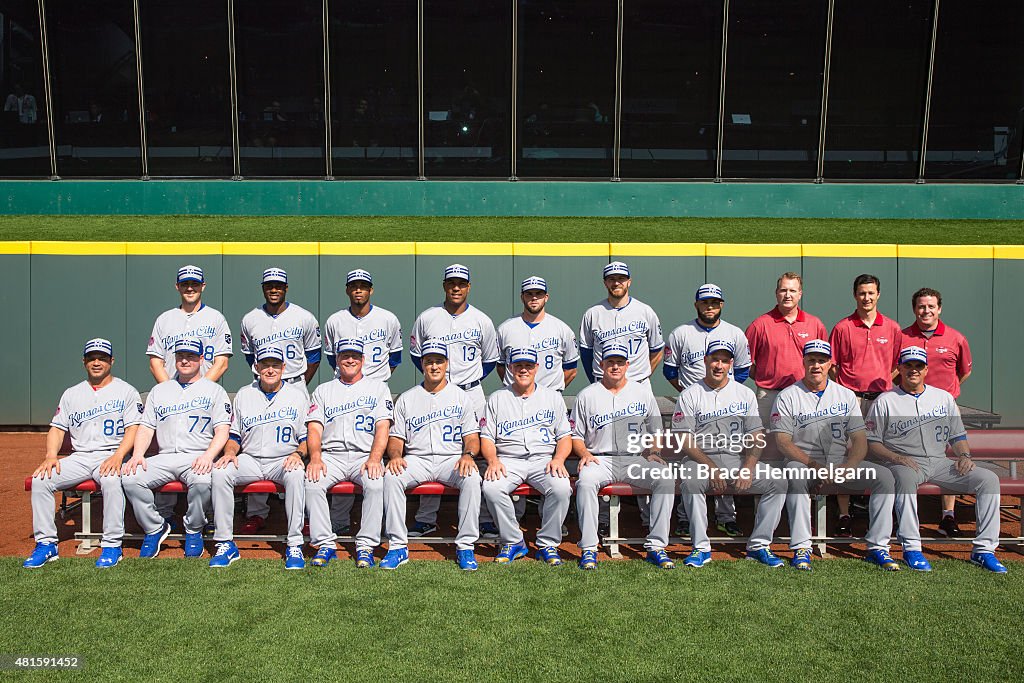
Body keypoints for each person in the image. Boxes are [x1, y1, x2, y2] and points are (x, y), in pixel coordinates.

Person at [866, 346, 1007, 573]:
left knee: (988, 479)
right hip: (904, 461)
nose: (913, 370)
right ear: (899, 368)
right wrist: (895, 457)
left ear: (926, 369)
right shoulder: (886, 400)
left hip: (940, 462)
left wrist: (964, 455)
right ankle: (912, 547)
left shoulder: (943, 398)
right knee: (903, 477)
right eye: (908, 365)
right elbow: (872, 443)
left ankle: (983, 550)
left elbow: (958, 436)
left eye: (918, 366)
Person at [771, 340, 899, 571]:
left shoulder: (846, 395)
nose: (816, 365)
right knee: (795, 475)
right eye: (811, 360)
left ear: (830, 364)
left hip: (840, 462)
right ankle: (802, 546)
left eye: (822, 360)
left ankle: (878, 546)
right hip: (803, 460)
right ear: (804, 362)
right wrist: (814, 464)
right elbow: (783, 442)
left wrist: (850, 465)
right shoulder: (788, 396)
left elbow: (860, 439)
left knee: (884, 477)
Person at [24, 339, 141, 569]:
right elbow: (57, 428)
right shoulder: (72, 394)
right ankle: (46, 544)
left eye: (102, 358)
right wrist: (50, 456)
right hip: (80, 457)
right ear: (84, 361)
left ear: (112, 361)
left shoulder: (126, 391)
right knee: (40, 481)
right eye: (92, 358)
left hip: (111, 454)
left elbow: (133, 429)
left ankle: (112, 545)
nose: (97, 362)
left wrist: (119, 456)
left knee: (111, 480)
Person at [672, 340, 787, 569]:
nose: (719, 365)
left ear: (731, 364)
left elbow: (756, 435)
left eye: (724, 360)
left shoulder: (744, 394)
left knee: (778, 482)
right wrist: (712, 467)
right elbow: (684, 440)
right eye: (715, 359)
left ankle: (759, 546)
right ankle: (701, 548)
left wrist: (749, 466)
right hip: (700, 460)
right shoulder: (690, 394)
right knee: (692, 482)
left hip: (736, 459)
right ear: (705, 361)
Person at [408, 264, 498, 537]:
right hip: (436, 391)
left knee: (479, 452)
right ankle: (426, 519)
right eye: (451, 283)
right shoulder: (428, 318)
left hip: (470, 391)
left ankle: (483, 519)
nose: (456, 288)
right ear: (444, 285)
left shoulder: (482, 320)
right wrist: (440, 381)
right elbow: (416, 354)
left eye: (461, 283)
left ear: (469, 287)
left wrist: (464, 383)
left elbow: (491, 359)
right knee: (431, 446)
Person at [122, 338, 231, 559]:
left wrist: (209, 456)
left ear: (201, 359)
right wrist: (138, 455)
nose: (185, 360)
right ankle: (155, 527)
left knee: (201, 481)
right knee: (130, 478)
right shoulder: (160, 391)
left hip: (196, 455)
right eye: (181, 356)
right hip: (164, 456)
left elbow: (222, 430)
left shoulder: (214, 391)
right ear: (174, 359)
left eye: (191, 356)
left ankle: (193, 529)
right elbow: (146, 427)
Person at [570, 343, 675, 570]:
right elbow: (575, 436)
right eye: (610, 362)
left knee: (665, 479)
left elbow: (656, 429)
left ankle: (656, 547)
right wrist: (585, 453)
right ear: (602, 364)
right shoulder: (587, 395)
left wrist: (654, 452)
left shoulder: (642, 392)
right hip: (600, 458)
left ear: (627, 365)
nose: (615, 367)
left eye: (619, 362)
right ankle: (589, 549)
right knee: (586, 482)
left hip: (634, 458)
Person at [578, 261, 664, 536]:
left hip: (637, 385)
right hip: (602, 387)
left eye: (621, 278)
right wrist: (601, 382)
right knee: (599, 448)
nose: (617, 282)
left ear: (629, 281)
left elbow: (657, 349)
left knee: (642, 451)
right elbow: (587, 353)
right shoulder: (593, 313)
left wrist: (637, 378)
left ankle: (647, 518)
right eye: (611, 278)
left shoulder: (645, 311)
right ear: (605, 282)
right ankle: (601, 523)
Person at [379, 341, 482, 571]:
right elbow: (396, 439)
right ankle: (397, 546)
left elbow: (472, 437)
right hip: (418, 459)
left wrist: (467, 455)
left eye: (438, 361)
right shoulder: (407, 398)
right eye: (429, 362)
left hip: (451, 459)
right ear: (422, 365)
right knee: (392, 476)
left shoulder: (461, 396)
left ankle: (465, 545)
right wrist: (395, 455)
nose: (434, 366)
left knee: (472, 477)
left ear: (447, 364)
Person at [146, 264, 232, 526]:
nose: (190, 288)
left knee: (203, 451)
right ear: (177, 286)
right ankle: (164, 513)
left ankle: (201, 514)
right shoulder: (165, 319)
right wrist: (173, 390)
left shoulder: (215, 318)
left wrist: (198, 388)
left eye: (195, 283)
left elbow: (222, 361)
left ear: (203, 286)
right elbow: (155, 361)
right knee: (167, 446)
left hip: (204, 394)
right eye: (185, 283)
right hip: (170, 393)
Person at [209, 347, 309, 570]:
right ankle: (225, 542)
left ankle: (294, 543)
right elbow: (234, 436)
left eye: (275, 365)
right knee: (220, 471)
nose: (270, 369)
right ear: (256, 367)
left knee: (295, 474)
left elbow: (306, 438)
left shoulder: (297, 396)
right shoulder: (245, 394)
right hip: (251, 458)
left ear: (284, 368)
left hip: (283, 459)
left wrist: (298, 454)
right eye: (265, 365)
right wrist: (229, 453)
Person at [664, 283, 751, 538]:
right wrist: (691, 394)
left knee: (726, 454)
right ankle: (684, 518)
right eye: (705, 302)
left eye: (714, 302)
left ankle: (726, 518)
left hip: (728, 405)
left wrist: (726, 393)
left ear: (721, 305)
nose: (710, 306)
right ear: (696, 304)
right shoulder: (681, 333)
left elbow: (743, 370)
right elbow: (670, 370)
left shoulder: (735, 333)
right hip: (693, 405)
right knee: (690, 460)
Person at [238, 267, 321, 534]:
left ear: (286, 288)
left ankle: (304, 515)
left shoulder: (303, 317)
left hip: (295, 382)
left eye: (279, 285)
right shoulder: (250, 319)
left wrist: (296, 387)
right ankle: (256, 512)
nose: (274, 289)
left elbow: (315, 356)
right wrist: (269, 378)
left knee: (301, 447)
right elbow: (251, 357)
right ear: (263, 288)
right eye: (269, 285)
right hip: (264, 380)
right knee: (259, 440)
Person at [321, 268, 402, 535]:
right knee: (342, 444)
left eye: (363, 286)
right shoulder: (334, 321)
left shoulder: (388, 318)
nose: (359, 290)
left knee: (368, 450)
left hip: (375, 389)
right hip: (343, 388)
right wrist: (350, 372)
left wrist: (375, 380)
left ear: (371, 290)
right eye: (354, 285)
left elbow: (397, 358)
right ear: (347, 290)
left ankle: (371, 526)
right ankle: (340, 521)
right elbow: (334, 358)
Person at [305, 339, 393, 569]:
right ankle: (325, 543)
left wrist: (375, 458)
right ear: (337, 360)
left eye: (355, 356)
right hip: (331, 455)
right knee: (313, 483)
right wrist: (315, 457)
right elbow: (314, 428)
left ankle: (365, 545)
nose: (350, 360)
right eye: (345, 356)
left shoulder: (378, 388)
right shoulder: (323, 390)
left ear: (363, 360)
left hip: (364, 455)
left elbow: (383, 428)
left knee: (375, 484)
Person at [480, 348, 573, 566]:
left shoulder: (552, 397)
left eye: (528, 366)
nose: (523, 370)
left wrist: (559, 459)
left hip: (543, 459)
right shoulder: (497, 398)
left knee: (561, 488)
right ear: (510, 368)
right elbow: (486, 438)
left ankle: (547, 543)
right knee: (492, 488)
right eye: (519, 366)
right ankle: (513, 541)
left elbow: (564, 437)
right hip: (508, 459)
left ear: (536, 368)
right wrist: (493, 461)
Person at [828, 274, 902, 535]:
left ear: (878, 295)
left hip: (882, 400)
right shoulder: (843, 327)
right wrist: (849, 392)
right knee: (846, 451)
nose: (867, 298)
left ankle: (877, 509)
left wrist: (882, 383)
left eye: (871, 293)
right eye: (862, 293)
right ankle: (845, 513)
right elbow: (832, 366)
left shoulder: (892, 328)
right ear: (855, 295)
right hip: (852, 400)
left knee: (880, 452)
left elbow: (897, 365)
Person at [899, 287, 973, 536]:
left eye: (931, 306)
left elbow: (965, 371)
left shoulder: (955, 338)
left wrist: (943, 396)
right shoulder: (903, 336)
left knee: (945, 459)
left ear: (939, 308)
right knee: (909, 458)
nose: (926, 311)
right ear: (914, 309)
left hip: (944, 407)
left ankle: (948, 516)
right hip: (910, 406)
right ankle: (905, 518)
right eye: (921, 306)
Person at [745, 272, 828, 426]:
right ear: (776, 293)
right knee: (765, 442)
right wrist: (766, 377)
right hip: (769, 395)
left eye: (792, 291)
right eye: (783, 290)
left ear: (800, 294)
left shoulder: (815, 324)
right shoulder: (760, 324)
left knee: (804, 440)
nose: (787, 295)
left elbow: (825, 361)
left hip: (805, 393)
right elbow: (744, 362)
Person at [496, 276, 579, 392]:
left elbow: (571, 370)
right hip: (514, 397)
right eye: (529, 294)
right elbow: (501, 366)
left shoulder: (562, 329)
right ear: (522, 297)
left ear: (546, 297)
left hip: (550, 398)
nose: (534, 298)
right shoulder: (505, 329)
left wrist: (550, 393)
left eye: (539, 293)